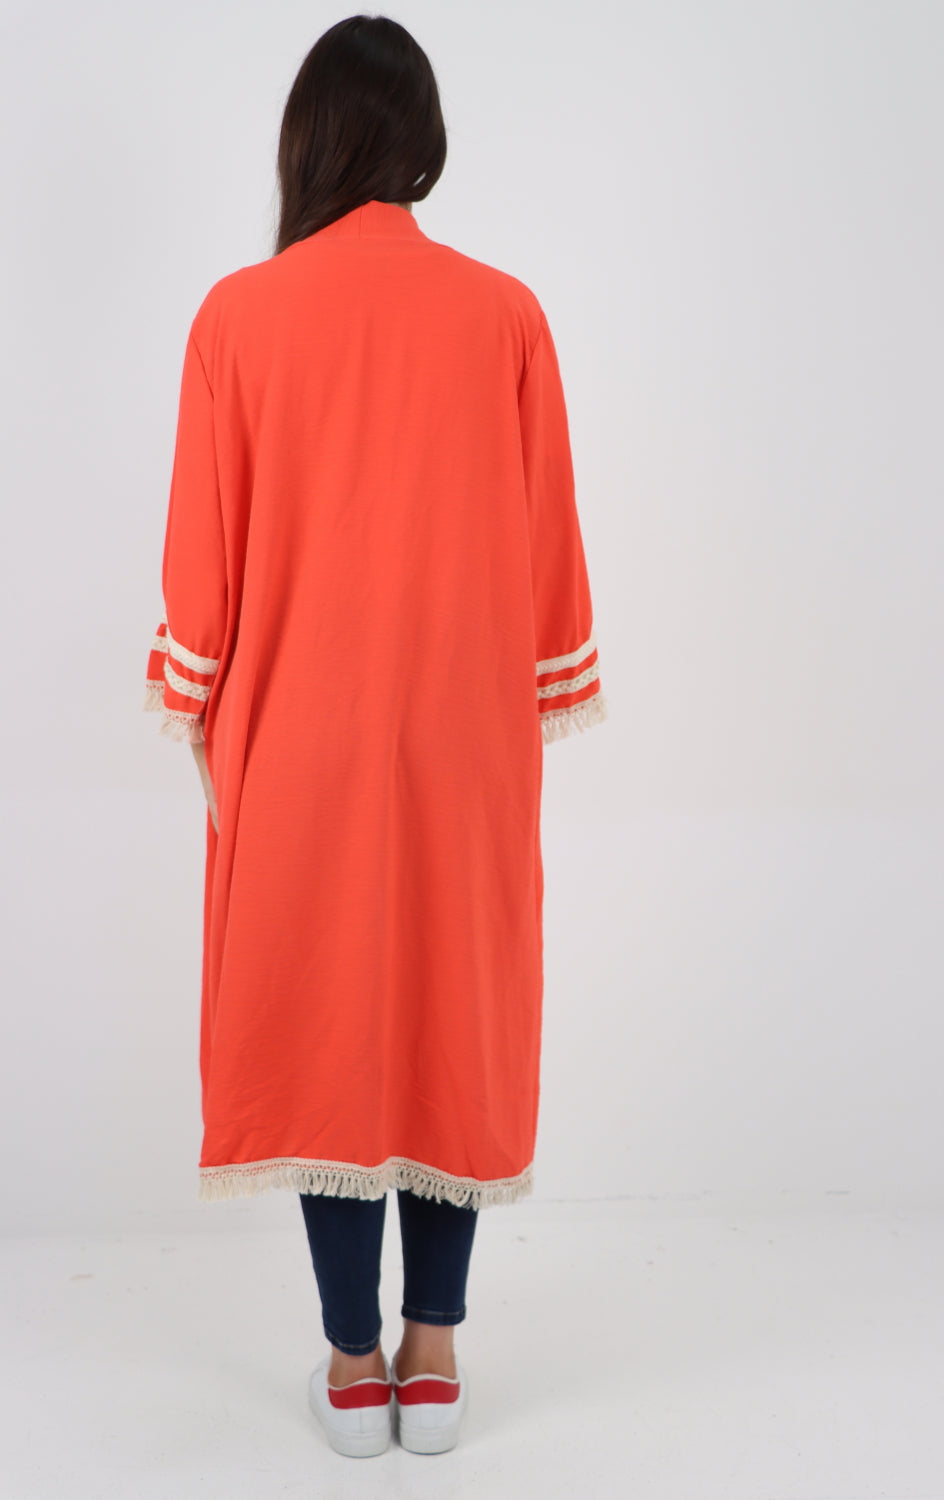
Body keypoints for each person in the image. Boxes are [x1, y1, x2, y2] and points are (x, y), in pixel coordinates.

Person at [142, 14, 607, 1458]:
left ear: (311, 138)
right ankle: (437, 1361)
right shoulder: (506, 316)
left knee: (323, 1028)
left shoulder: (238, 317)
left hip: (298, 742)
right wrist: (532, 694)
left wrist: (195, 702)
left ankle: (354, 1369)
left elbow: (201, 572)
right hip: (462, 742)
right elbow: (549, 559)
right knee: (448, 1018)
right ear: (423, 142)